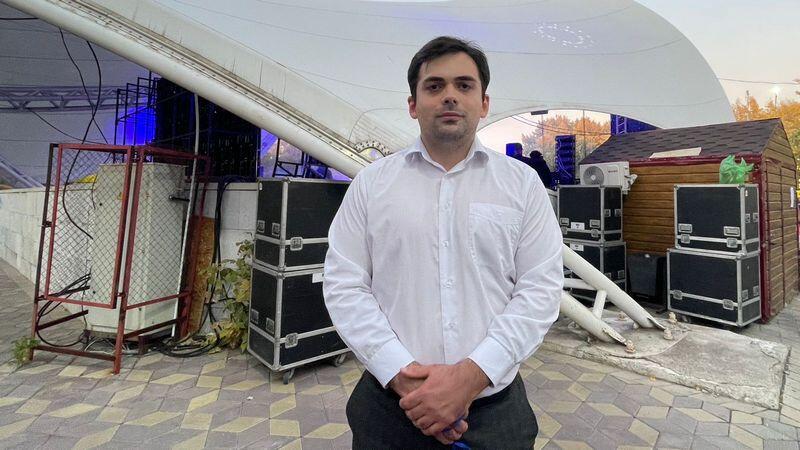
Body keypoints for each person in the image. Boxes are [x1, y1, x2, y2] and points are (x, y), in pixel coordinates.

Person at [323, 36, 563, 449]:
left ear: (484, 103)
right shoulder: (371, 185)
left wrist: (470, 377)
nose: (450, 95)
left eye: (464, 85)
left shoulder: (522, 186)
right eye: (434, 86)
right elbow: (345, 284)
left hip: (494, 413)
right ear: (413, 104)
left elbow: (540, 290)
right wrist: (404, 377)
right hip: (391, 411)